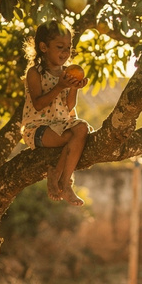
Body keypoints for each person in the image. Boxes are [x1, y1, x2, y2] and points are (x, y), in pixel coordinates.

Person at [21, 21, 90, 205]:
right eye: (60, 47)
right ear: (44, 47)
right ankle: (62, 180)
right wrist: (59, 86)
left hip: (62, 124)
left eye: (68, 48)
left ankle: (62, 180)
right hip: (38, 129)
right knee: (72, 137)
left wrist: (74, 88)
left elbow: (69, 106)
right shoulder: (35, 73)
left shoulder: (67, 73)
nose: (65, 53)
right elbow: (38, 104)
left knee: (82, 128)